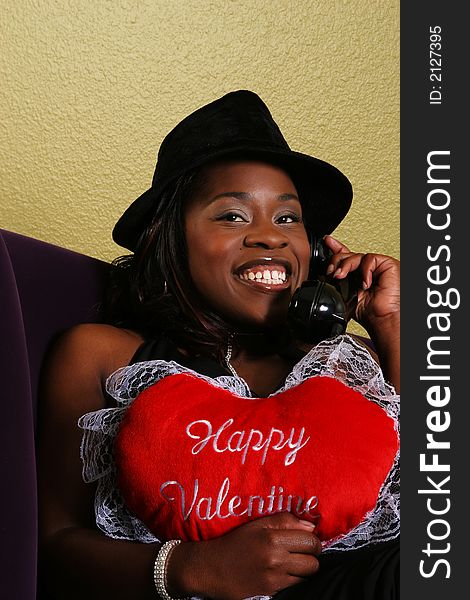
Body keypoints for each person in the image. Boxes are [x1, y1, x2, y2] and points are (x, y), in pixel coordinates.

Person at [37, 90, 400, 600]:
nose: (269, 237)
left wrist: (393, 325)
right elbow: (53, 544)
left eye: (288, 218)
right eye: (232, 216)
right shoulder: (102, 355)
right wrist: (190, 566)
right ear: (171, 239)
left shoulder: (348, 365)